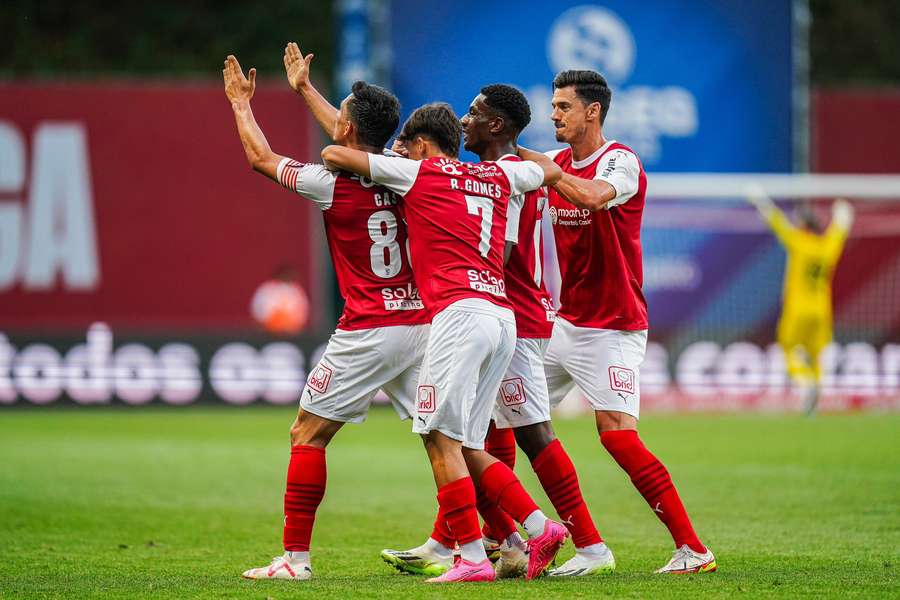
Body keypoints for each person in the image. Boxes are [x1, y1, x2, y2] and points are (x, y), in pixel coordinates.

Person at [321, 102, 568, 583]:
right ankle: (538, 529)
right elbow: (549, 170)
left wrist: (388, 156)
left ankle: (473, 558)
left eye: (408, 146)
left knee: (438, 437)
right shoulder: (500, 176)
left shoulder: (419, 175)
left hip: (459, 316)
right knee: (468, 443)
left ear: (421, 146)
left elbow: (336, 154)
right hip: (502, 316)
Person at [381, 84, 612, 579]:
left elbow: (498, 256)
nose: (464, 120)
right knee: (477, 433)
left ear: (496, 126)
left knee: (527, 434)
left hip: (512, 313)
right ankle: (483, 541)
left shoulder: (504, 177)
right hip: (500, 312)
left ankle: (584, 543)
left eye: (473, 113)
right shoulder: (500, 172)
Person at [222, 52, 431, 581]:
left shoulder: (329, 182)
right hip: (423, 323)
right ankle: (499, 537)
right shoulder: (412, 176)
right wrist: (305, 89)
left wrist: (241, 105)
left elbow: (261, 158)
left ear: (350, 126)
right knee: (446, 440)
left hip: (367, 330)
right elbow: (353, 138)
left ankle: (295, 561)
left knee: (307, 434)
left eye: (341, 113)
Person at [518, 69, 717, 574]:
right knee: (508, 416)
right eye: (553, 105)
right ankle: (548, 545)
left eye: (563, 106)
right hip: (563, 325)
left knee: (616, 435)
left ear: (593, 111)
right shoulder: (556, 162)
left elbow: (591, 197)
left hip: (614, 326)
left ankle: (693, 550)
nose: (554, 114)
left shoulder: (621, 162)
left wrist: (546, 169)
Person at [747, 191, 854, 414]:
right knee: (816, 355)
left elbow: (778, 223)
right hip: (821, 310)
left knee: (787, 348)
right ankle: (813, 403)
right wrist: (843, 213)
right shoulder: (827, 247)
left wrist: (760, 200)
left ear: (804, 225)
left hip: (798, 308)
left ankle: (806, 385)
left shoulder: (800, 242)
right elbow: (840, 229)